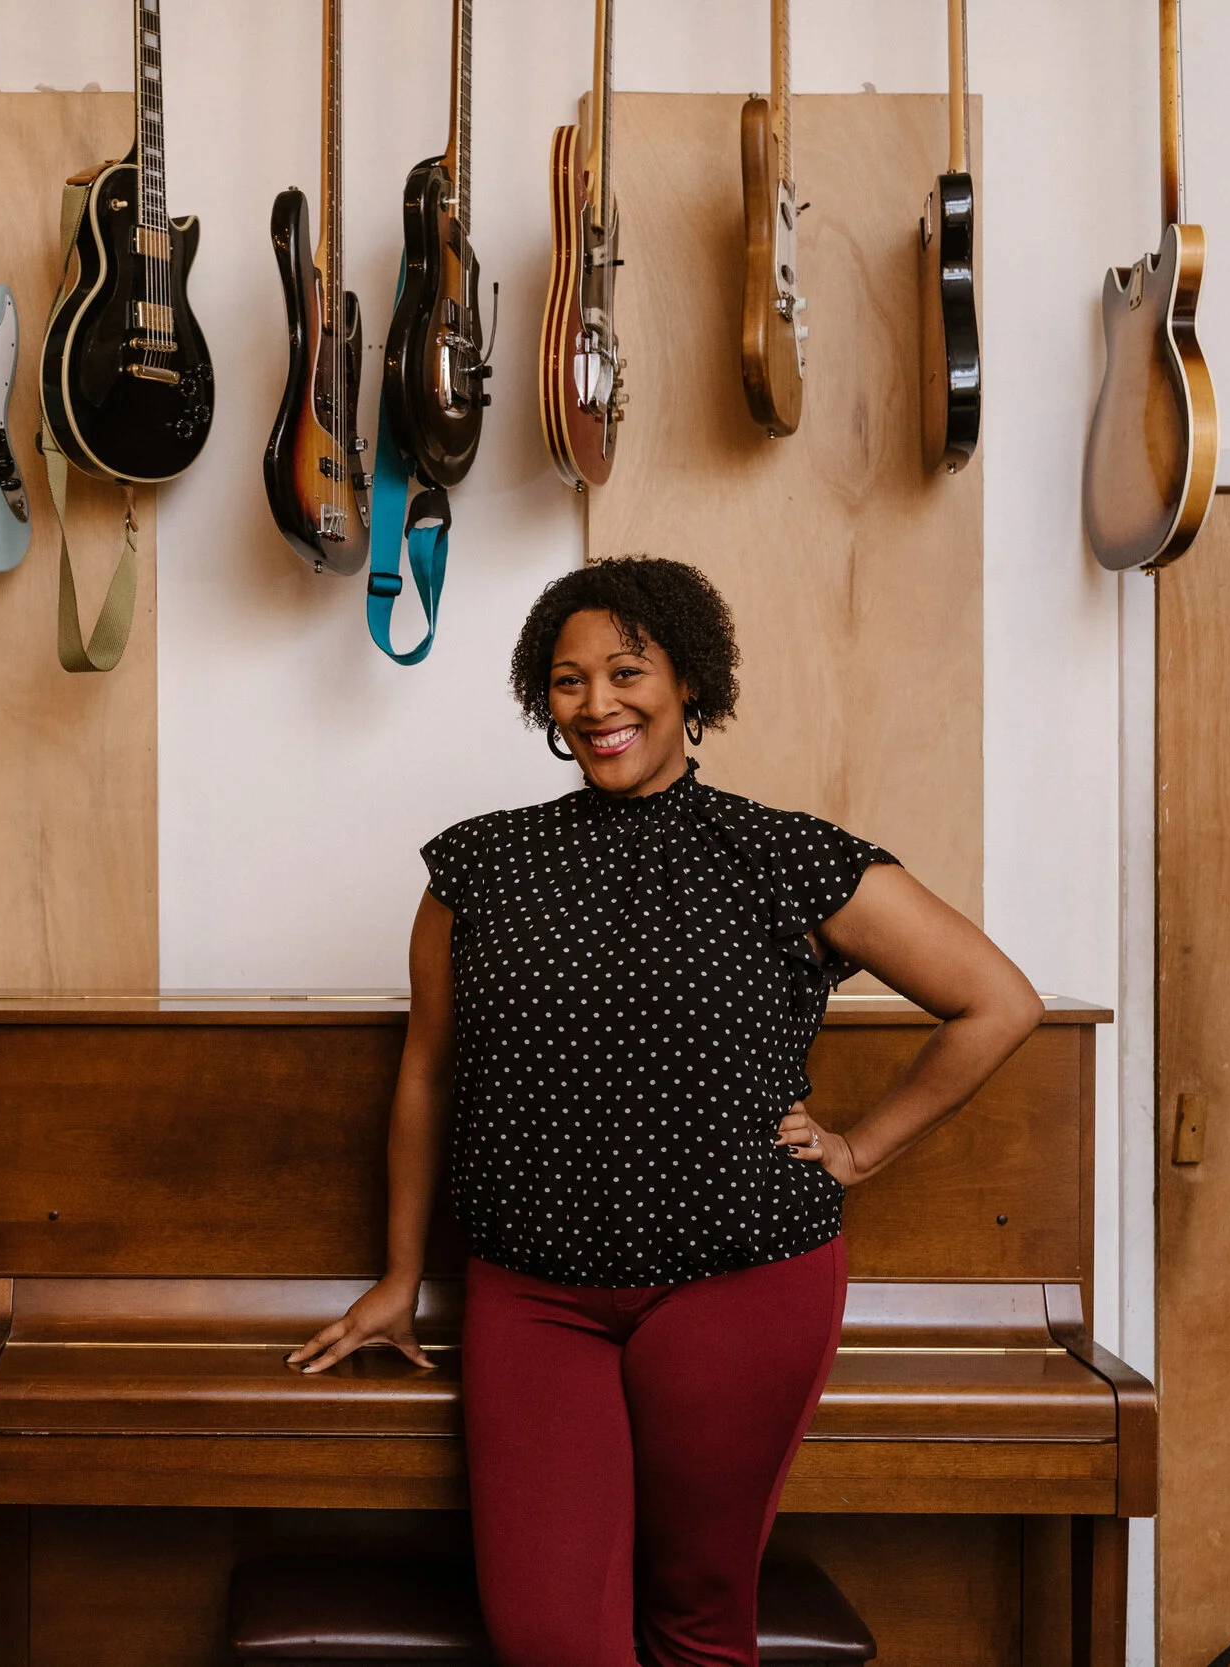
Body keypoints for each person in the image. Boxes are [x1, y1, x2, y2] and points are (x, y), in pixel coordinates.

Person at [289, 557, 1043, 1667]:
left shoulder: (784, 855)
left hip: (739, 1280)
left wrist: (859, 1150)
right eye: (566, 680)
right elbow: (428, 1073)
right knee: (549, 1636)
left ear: (690, 681)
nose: (597, 705)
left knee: (696, 1618)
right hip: (534, 1289)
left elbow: (998, 1001)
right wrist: (402, 1274)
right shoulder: (478, 866)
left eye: (626, 671)